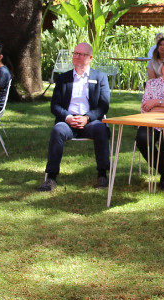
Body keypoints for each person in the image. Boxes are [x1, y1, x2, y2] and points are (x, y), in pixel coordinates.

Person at [39, 42, 111, 191]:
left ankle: (102, 175)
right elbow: (55, 105)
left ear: (90, 57)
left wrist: (87, 118)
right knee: (58, 130)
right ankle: (51, 177)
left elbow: (104, 105)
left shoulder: (100, 77)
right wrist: (68, 117)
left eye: (81, 54)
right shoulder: (63, 78)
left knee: (101, 129)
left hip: (90, 122)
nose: (77, 57)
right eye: (75, 53)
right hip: (68, 121)